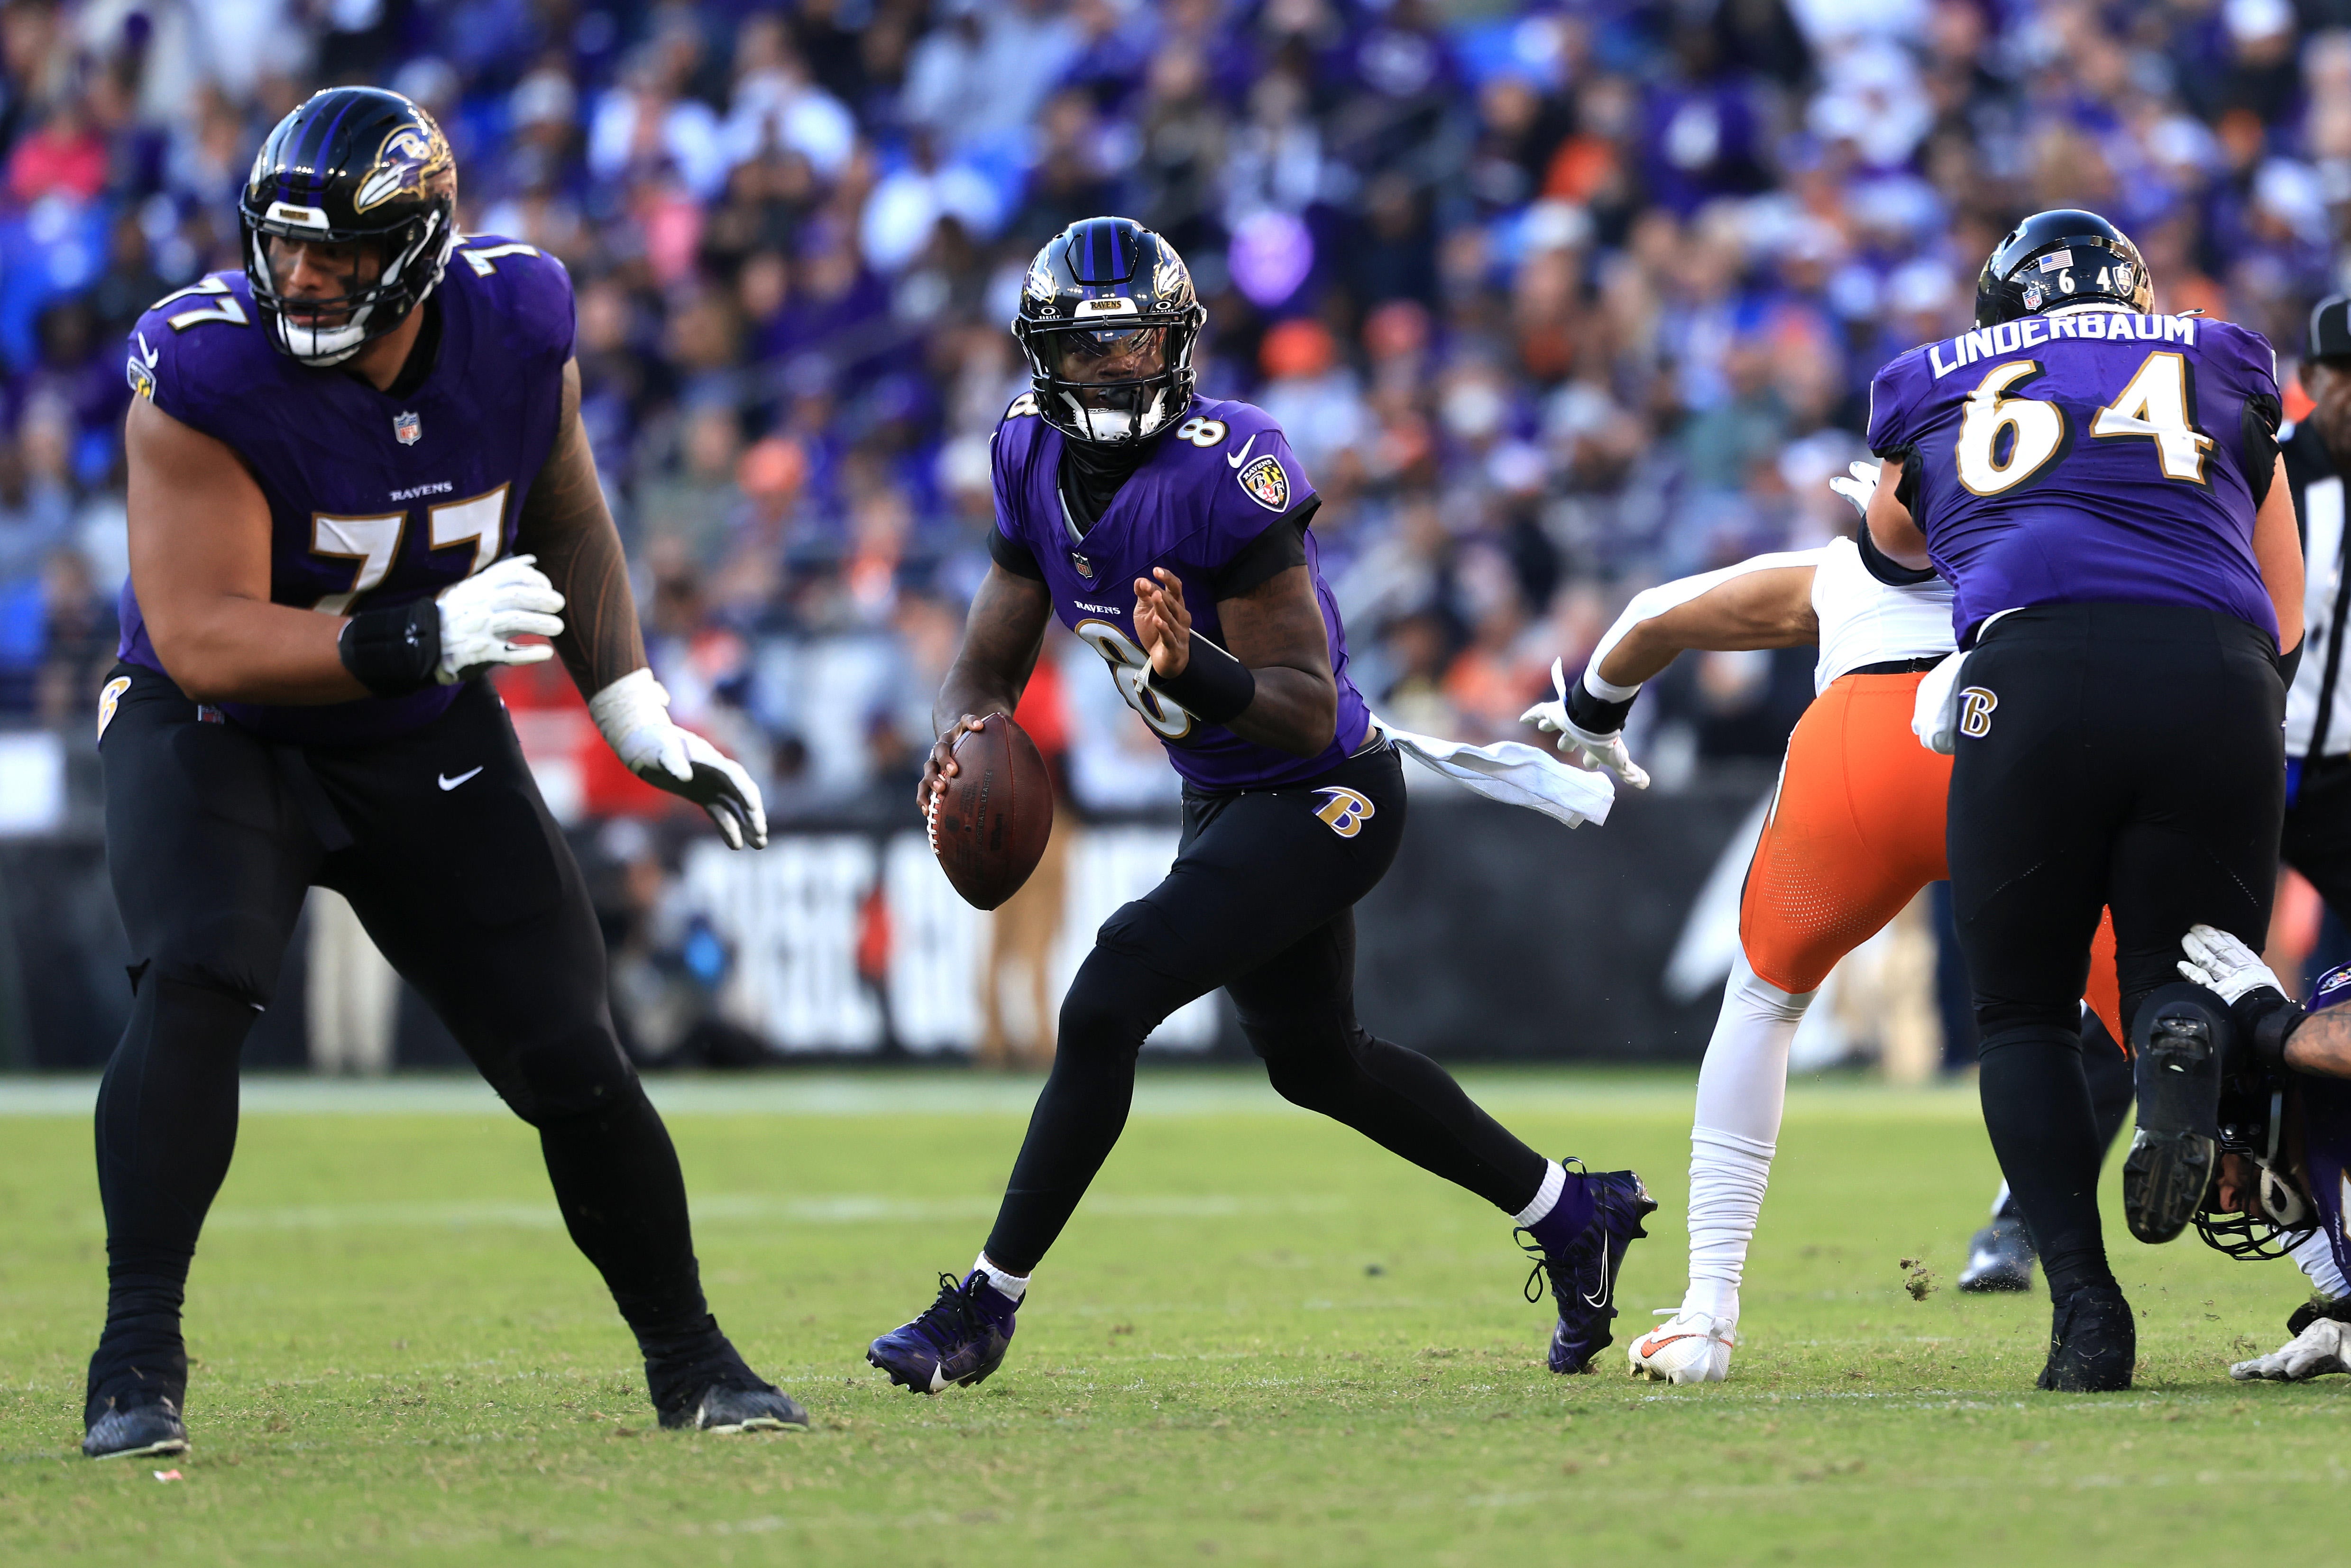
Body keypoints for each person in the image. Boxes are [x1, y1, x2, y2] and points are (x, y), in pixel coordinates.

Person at [83, 88, 800, 1461]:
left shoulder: (519, 318)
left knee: (570, 1050)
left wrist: (631, 704)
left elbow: (569, 503)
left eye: (338, 252)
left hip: (414, 732)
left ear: (414, 245)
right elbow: (203, 633)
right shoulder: (207, 367)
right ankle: (135, 1363)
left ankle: (695, 1364)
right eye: (283, 246)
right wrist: (414, 632)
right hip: (217, 729)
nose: (300, 277)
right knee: (197, 978)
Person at [865, 216, 1652, 1394]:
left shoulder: (1228, 468)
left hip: (1327, 792)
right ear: (1043, 359)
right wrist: (958, 742)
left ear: (1177, 348)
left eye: (1136, 346)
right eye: (1089, 351)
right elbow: (985, 668)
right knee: (1317, 1062)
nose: (1116, 370)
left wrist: (1196, 669)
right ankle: (1569, 1209)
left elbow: (1300, 701)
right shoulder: (1026, 457)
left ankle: (984, 1304)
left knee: (1108, 990)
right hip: (1225, 798)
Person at [1521, 477, 2127, 1383]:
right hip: (2027, 745)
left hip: (1862, 754)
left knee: (1762, 1001)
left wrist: (1590, 712)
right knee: (2177, 1008)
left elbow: (1653, 613)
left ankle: (1706, 1316)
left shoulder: (1840, 567)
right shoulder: (2103, 535)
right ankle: (2328, 1269)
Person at [1864, 209, 2305, 1391]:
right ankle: (2180, 1041)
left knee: (2021, 1012)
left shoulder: (1923, 380)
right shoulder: (2218, 355)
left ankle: (2087, 1313)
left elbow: (1888, 542)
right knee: (2190, 972)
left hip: (2034, 670)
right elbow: (2288, 607)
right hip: (2214, 672)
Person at [1956, 290, 2351, 1293]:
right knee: (2150, 980)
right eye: (2343, 376)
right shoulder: (2254, 454)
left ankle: (2327, 1239)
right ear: (2308, 383)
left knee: (2184, 984)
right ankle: (2019, 1216)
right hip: (2252, 743)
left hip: (2324, 765)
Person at [2159, 931, 2351, 1381]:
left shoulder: (2328, 1009)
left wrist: (2270, 1022)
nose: (2228, 1204)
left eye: (2211, 1181)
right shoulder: (2326, 1193)